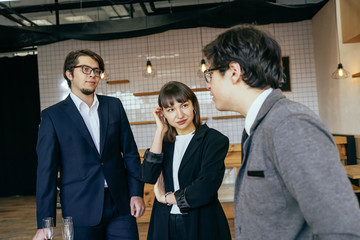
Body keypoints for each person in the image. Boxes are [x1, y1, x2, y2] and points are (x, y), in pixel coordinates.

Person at [203, 25, 360, 240]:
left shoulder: (289, 123)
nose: (208, 85)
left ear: (234, 72)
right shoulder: (260, 125)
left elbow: (341, 227)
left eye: (209, 74)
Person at [33, 49, 145, 240]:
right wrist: (45, 222)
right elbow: (46, 172)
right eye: (85, 69)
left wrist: (136, 193)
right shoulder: (53, 116)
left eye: (96, 70)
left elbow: (130, 153)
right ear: (69, 74)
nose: (93, 74)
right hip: (80, 209)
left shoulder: (114, 106)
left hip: (120, 204)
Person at [140, 81, 231, 240]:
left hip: (201, 222)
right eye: (171, 110)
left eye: (184, 106)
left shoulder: (214, 140)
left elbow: (205, 187)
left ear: (194, 106)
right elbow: (148, 175)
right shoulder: (164, 144)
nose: (179, 115)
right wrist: (160, 131)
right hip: (164, 223)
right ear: (164, 114)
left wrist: (166, 198)